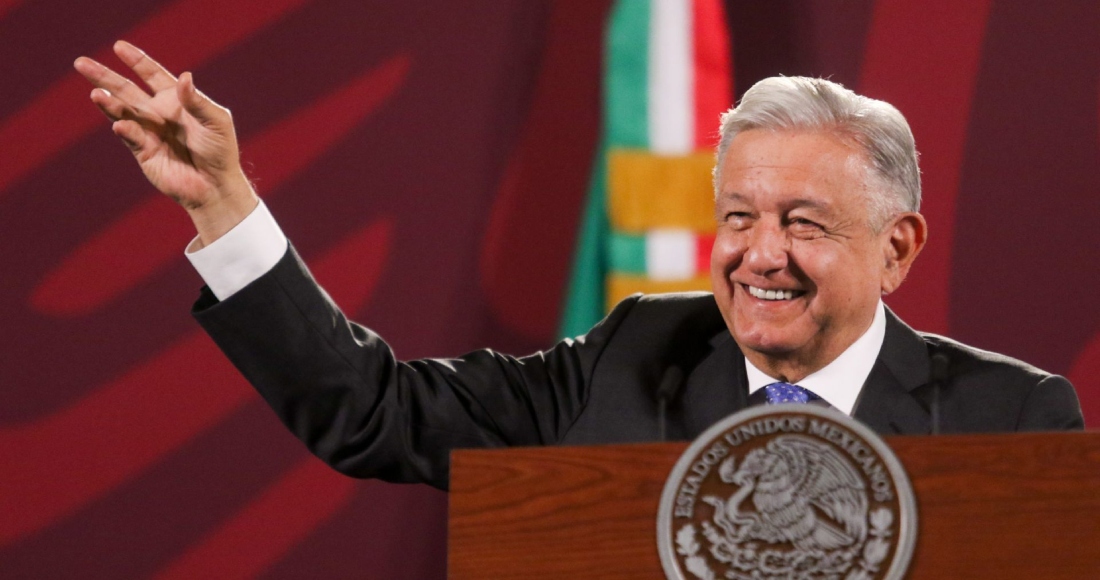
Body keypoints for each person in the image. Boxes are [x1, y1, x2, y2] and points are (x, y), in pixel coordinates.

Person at [75, 41, 1083, 491]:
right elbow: (374, 412)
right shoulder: (633, 354)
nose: (759, 255)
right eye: (737, 218)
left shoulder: (1011, 418)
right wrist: (221, 202)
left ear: (896, 247)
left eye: (803, 223)